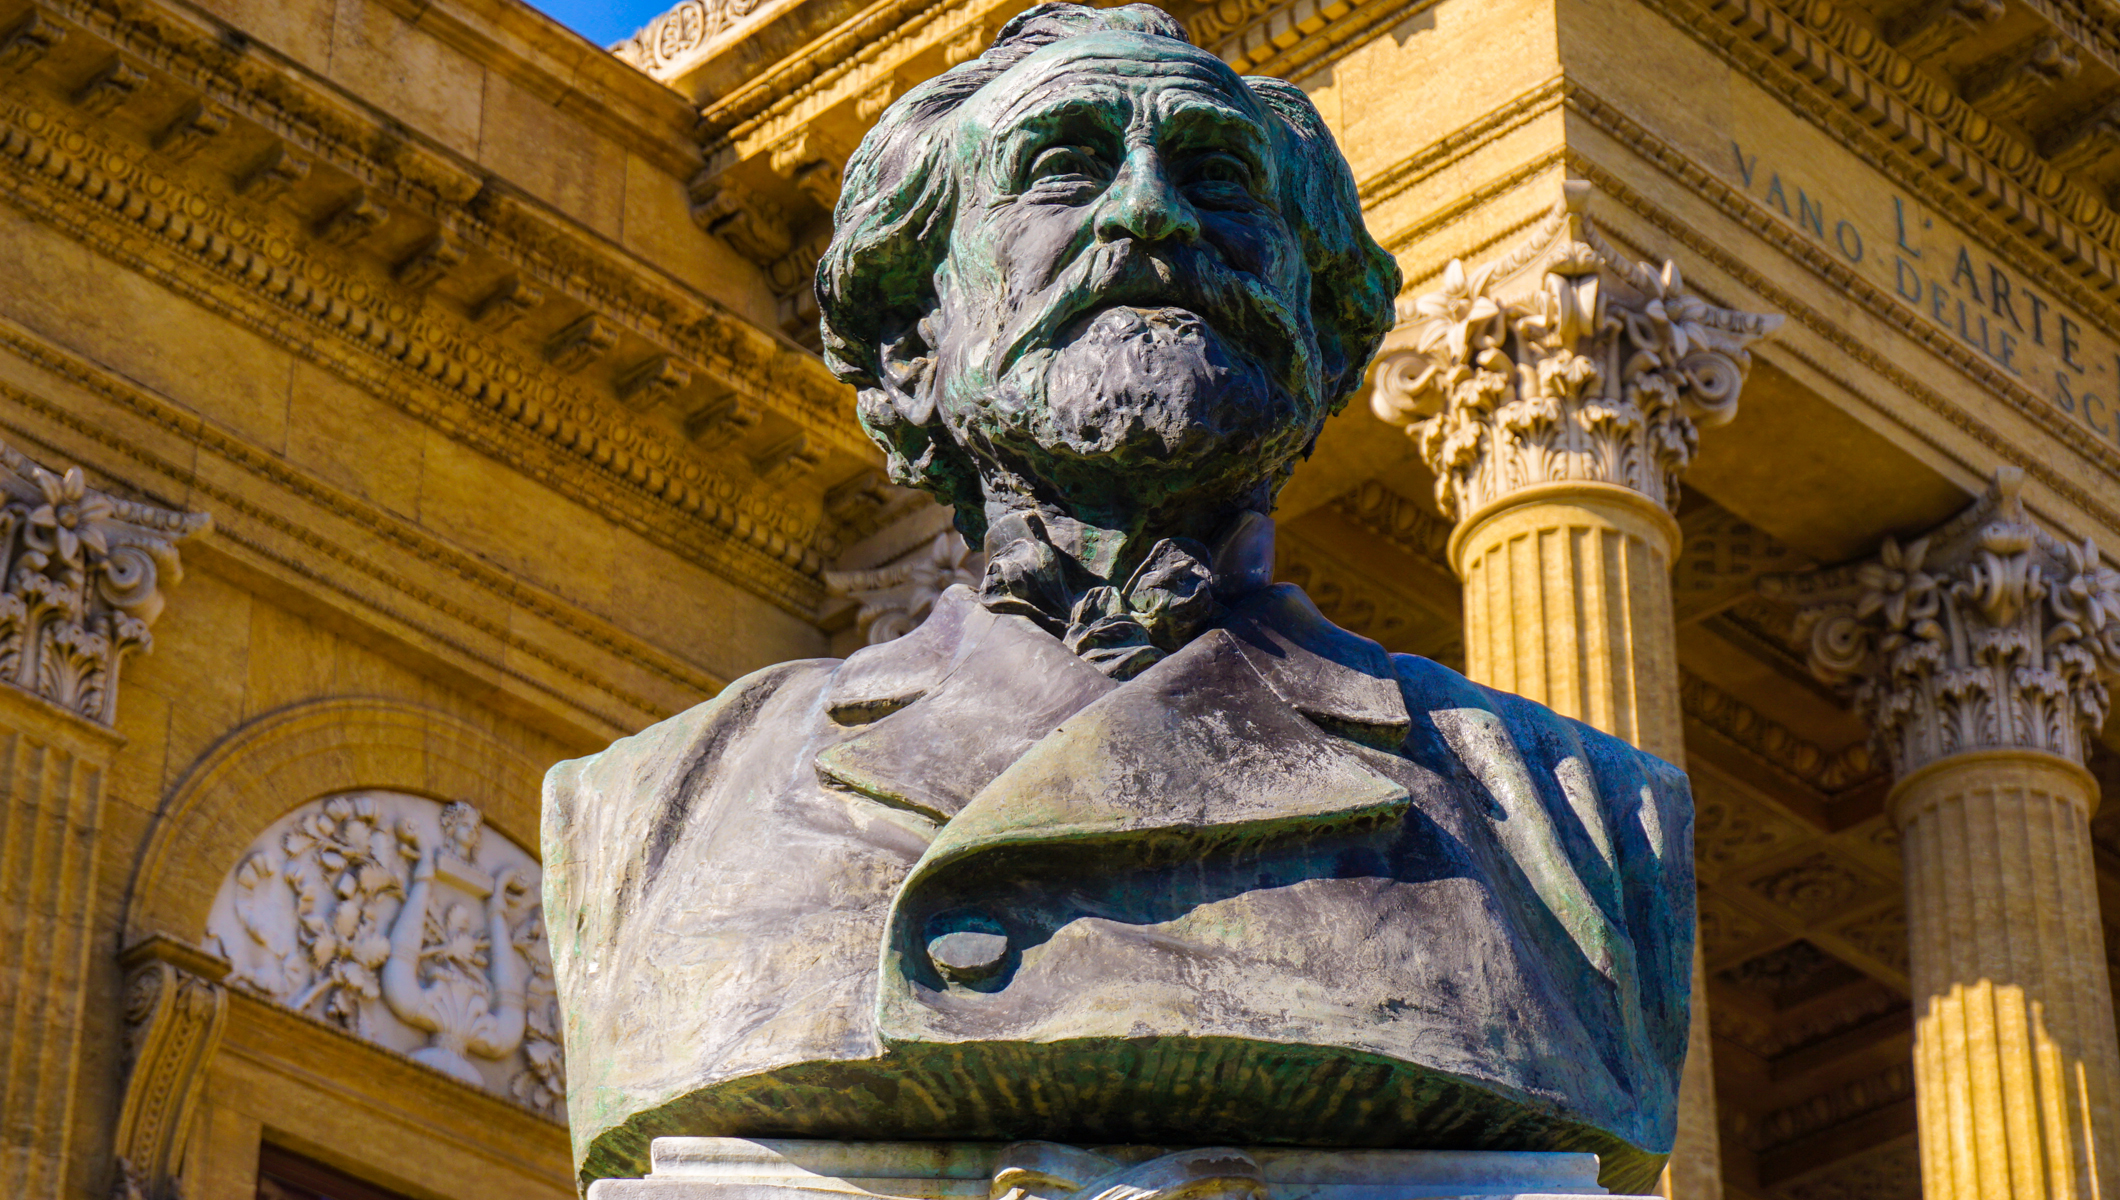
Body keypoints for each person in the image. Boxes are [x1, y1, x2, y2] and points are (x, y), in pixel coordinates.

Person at [543, 6, 1693, 1192]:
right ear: (909, 349)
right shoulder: (659, 807)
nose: (1148, 211)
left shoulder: (1570, 818)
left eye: (1216, 176)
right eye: (1061, 168)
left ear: (1324, 332)